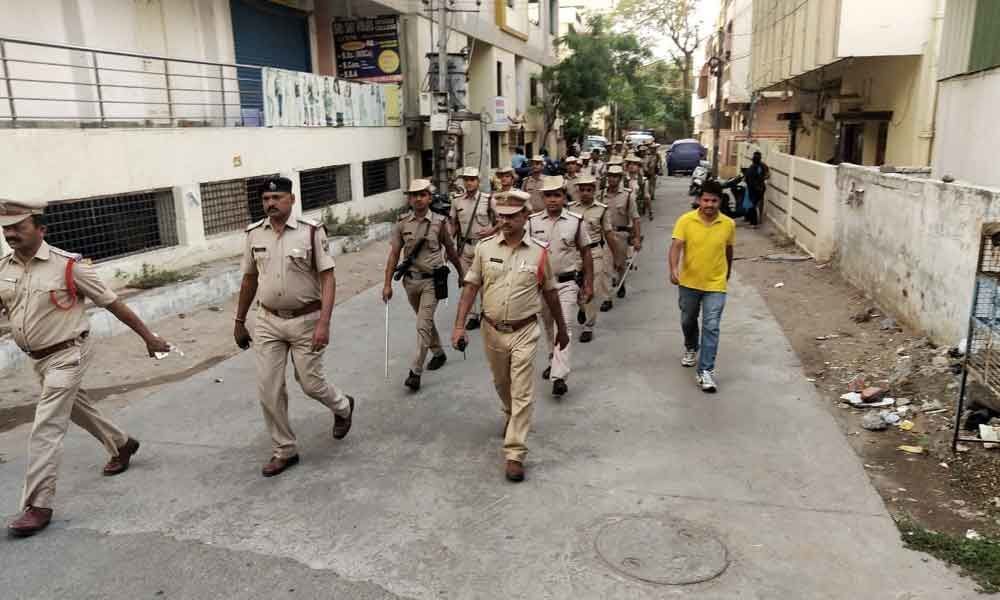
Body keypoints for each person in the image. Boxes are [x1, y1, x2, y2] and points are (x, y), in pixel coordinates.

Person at [0, 198, 172, 537]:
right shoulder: (4, 269)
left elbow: (113, 303)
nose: (11, 234)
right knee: (77, 408)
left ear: (40, 229)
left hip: (69, 352)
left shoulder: (69, 266)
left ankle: (37, 504)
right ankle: (120, 443)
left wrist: (148, 338)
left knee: (46, 425)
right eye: (6, 228)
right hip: (38, 359)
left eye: (19, 227)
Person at [234, 176, 356, 478]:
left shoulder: (311, 232)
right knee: (268, 389)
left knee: (311, 383)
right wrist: (239, 320)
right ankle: (284, 450)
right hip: (267, 321)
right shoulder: (253, 235)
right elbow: (249, 279)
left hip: (306, 320)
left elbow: (328, 278)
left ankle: (342, 407)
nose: (270, 204)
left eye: (276, 198)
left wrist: (324, 323)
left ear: (291, 199)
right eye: (265, 199)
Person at [451, 190, 568, 482]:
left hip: (525, 330)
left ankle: (515, 452)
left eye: (512, 216)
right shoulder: (484, 248)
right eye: (501, 215)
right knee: (501, 383)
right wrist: (459, 324)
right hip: (492, 331)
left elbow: (551, 293)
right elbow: (470, 288)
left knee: (522, 391)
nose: (505, 220)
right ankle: (509, 413)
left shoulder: (539, 252)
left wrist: (562, 329)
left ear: (525, 216)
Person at [382, 179, 465, 392]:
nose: (418, 199)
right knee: (424, 320)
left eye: (422, 194)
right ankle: (438, 352)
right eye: (414, 195)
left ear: (429, 197)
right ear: (409, 198)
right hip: (410, 282)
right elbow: (394, 255)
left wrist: (461, 273)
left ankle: (415, 372)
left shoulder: (439, 222)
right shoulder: (402, 223)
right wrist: (387, 285)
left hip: (432, 280)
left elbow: (451, 249)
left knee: (422, 324)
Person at [527, 176, 593, 397]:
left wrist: (589, 282)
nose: (552, 200)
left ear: (564, 197)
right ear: (542, 198)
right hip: (541, 286)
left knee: (563, 326)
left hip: (566, 284)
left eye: (557, 195)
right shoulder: (532, 222)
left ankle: (559, 376)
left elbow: (586, 251)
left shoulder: (575, 221)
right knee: (547, 327)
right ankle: (552, 360)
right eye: (548, 195)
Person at [668, 179, 735, 394]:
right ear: (699, 200)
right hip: (689, 282)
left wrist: (727, 274)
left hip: (715, 283)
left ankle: (706, 370)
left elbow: (728, 250)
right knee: (688, 319)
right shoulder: (685, 221)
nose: (709, 205)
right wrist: (673, 269)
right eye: (705, 200)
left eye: (714, 201)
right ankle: (690, 346)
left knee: (711, 325)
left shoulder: (728, 224)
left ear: (720, 201)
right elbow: (676, 246)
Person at [568, 175, 623, 343]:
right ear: (578, 191)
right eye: (582, 190)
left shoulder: (602, 209)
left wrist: (617, 257)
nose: (585, 193)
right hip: (574, 254)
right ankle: (582, 308)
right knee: (576, 289)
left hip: (594, 253)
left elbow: (608, 234)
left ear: (594, 191)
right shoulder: (569, 208)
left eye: (589, 190)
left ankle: (588, 327)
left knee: (592, 289)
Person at [450, 167, 497, 330]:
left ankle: (486, 313)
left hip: (484, 246)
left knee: (485, 282)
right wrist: (448, 243)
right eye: (466, 179)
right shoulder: (456, 201)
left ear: (478, 181)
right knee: (468, 282)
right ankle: (473, 316)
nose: (469, 183)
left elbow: (501, 221)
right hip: (465, 247)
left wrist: (492, 230)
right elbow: (454, 224)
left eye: (472, 179)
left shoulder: (488, 199)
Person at [602, 165, 641, 306]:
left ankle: (621, 281)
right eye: (610, 176)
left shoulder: (627, 195)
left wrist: (636, 238)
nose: (612, 179)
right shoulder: (601, 195)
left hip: (621, 234)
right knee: (605, 267)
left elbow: (636, 218)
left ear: (620, 178)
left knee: (620, 264)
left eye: (616, 176)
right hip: (605, 235)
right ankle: (607, 298)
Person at [743, 151, 770, 228]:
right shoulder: (754, 166)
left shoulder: (760, 166)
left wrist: (760, 180)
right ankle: (753, 220)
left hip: (757, 188)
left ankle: (754, 222)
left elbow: (767, 175)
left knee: (753, 205)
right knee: (753, 204)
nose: (755, 158)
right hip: (756, 188)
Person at [625, 153, 651, 218]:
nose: (631, 166)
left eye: (634, 164)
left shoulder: (643, 181)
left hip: (636, 210)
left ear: (639, 167)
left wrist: (650, 211)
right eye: (630, 164)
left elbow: (646, 196)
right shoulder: (622, 180)